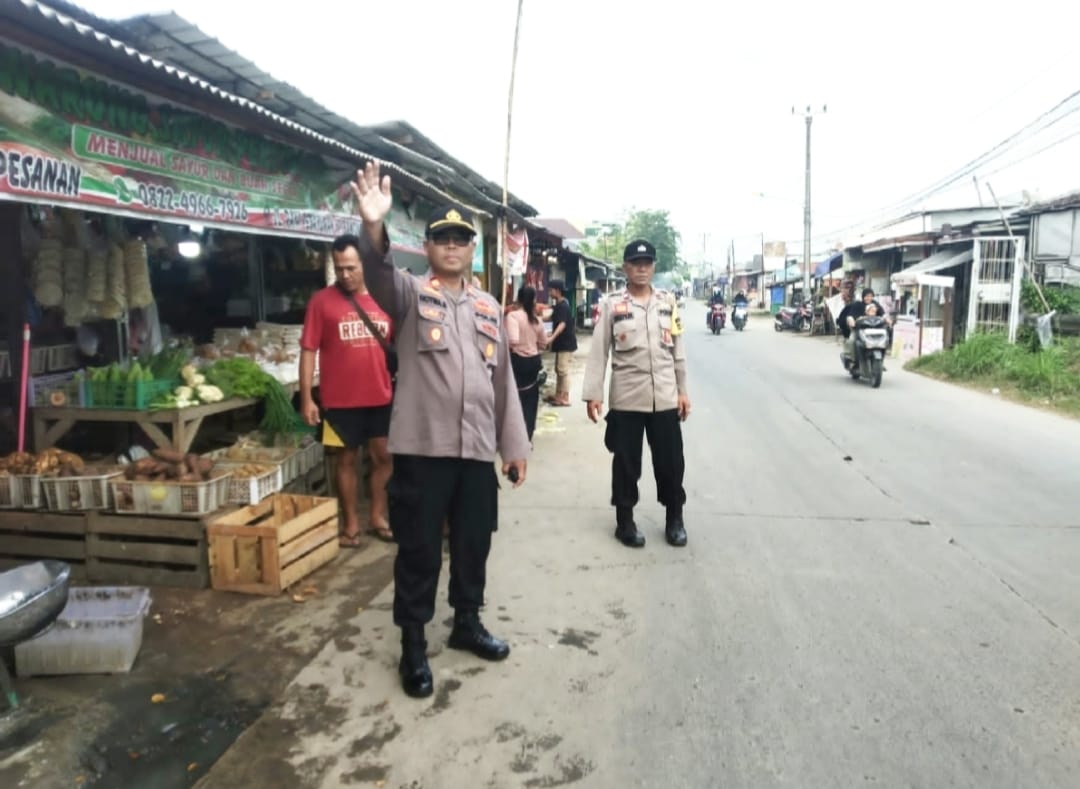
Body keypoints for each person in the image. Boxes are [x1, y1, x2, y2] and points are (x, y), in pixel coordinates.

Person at [351, 162, 530, 700]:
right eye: (441, 239)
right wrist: (373, 228)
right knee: (420, 548)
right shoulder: (408, 295)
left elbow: (501, 385)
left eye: (460, 239)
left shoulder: (487, 306)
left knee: (474, 543)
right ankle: (412, 643)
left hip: (476, 451)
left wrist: (513, 447)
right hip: (422, 453)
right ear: (426, 248)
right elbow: (377, 276)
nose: (451, 246)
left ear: (471, 249)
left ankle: (466, 623)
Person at [583, 238, 691, 549]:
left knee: (671, 462)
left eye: (647, 263)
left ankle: (675, 518)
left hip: (666, 398)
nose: (641, 269)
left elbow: (678, 351)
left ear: (653, 267)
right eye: (635, 263)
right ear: (625, 268)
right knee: (626, 463)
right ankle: (625, 520)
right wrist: (593, 394)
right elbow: (599, 351)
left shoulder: (668, 303)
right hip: (627, 397)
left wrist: (683, 391)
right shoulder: (612, 304)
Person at [300, 234, 394, 547]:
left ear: (364, 264)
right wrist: (306, 398)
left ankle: (377, 516)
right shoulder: (321, 302)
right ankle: (351, 523)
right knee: (345, 460)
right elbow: (308, 350)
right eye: (339, 269)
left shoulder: (385, 300)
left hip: (381, 397)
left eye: (351, 268)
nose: (345, 275)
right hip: (339, 402)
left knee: (384, 459)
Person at [506, 285, 548, 441]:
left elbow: (513, 341)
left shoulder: (513, 316)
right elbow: (544, 344)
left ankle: (514, 436)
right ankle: (527, 436)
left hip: (518, 362)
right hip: (534, 362)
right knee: (531, 398)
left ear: (519, 299)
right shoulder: (537, 319)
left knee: (514, 397)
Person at [544, 279, 577, 406]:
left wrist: (551, 337)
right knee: (558, 370)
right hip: (562, 343)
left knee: (563, 370)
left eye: (551, 290)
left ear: (557, 291)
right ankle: (558, 394)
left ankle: (565, 397)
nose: (549, 292)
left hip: (566, 343)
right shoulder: (559, 305)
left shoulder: (563, 306)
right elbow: (550, 317)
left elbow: (562, 324)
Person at [838, 287, 889, 365]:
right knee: (852, 342)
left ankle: (880, 362)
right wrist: (851, 321)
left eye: (871, 296)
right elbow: (851, 315)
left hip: (874, 331)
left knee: (885, 341)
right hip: (859, 331)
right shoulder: (858, 305)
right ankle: (853, 361)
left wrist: (888, 320)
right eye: (867, 296)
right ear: (863, 297)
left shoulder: (875, 304)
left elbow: (883, 314)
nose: (869, 298)